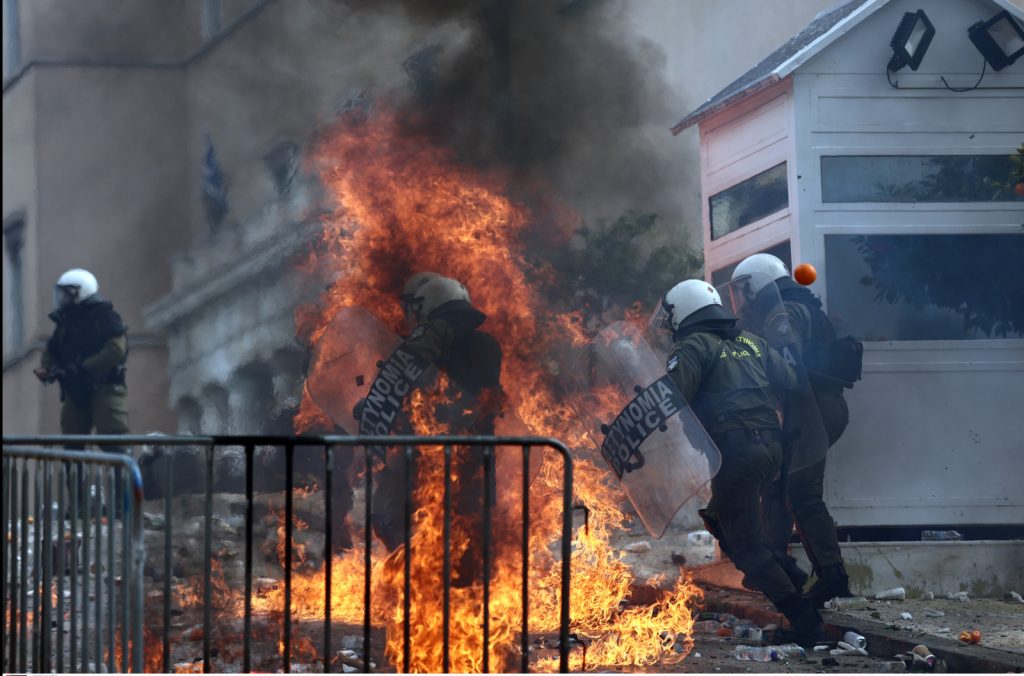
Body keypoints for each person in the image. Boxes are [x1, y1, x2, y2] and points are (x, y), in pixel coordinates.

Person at [661, 279, 826, 646]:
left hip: (736, 454)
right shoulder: (752, 341)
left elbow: (673, 397)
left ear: (684, 312)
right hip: (772, 450)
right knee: (720, 518)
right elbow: (789, 379)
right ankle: (792, 577)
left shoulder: (693, 346)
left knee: (747, 546)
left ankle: (806, 624)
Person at [732, 253, 860, 607]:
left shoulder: (782, 316)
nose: (741, 302)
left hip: (812, 410)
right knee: (776, 485)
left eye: (743, 291)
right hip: (807, 408)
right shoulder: (793, 309)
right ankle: (775, 567)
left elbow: (784, 370)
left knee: (802, 493)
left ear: (756, 284)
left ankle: (833, 578)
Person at [371, 274, 505, 586]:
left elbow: (412, 384)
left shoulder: (430, 339)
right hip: (476, 458)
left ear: (427, 307)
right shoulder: (486, 346)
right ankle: (463, 601)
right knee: (472, 535)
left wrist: (373, 410)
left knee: (390, 512)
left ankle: (424, 584)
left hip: (429, 457)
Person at [34, 268, 129, 513]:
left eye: (66, 293)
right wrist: (50, 369)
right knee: (72, 449)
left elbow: (116, 349)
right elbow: (52, 351)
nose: (62, 298)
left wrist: (84, 368)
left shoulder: (104, 316)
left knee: (113, 443)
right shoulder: (65, 322)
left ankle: (121, 504)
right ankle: (79, 505)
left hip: (104, 388)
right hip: (75, 392)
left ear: (79, 291)